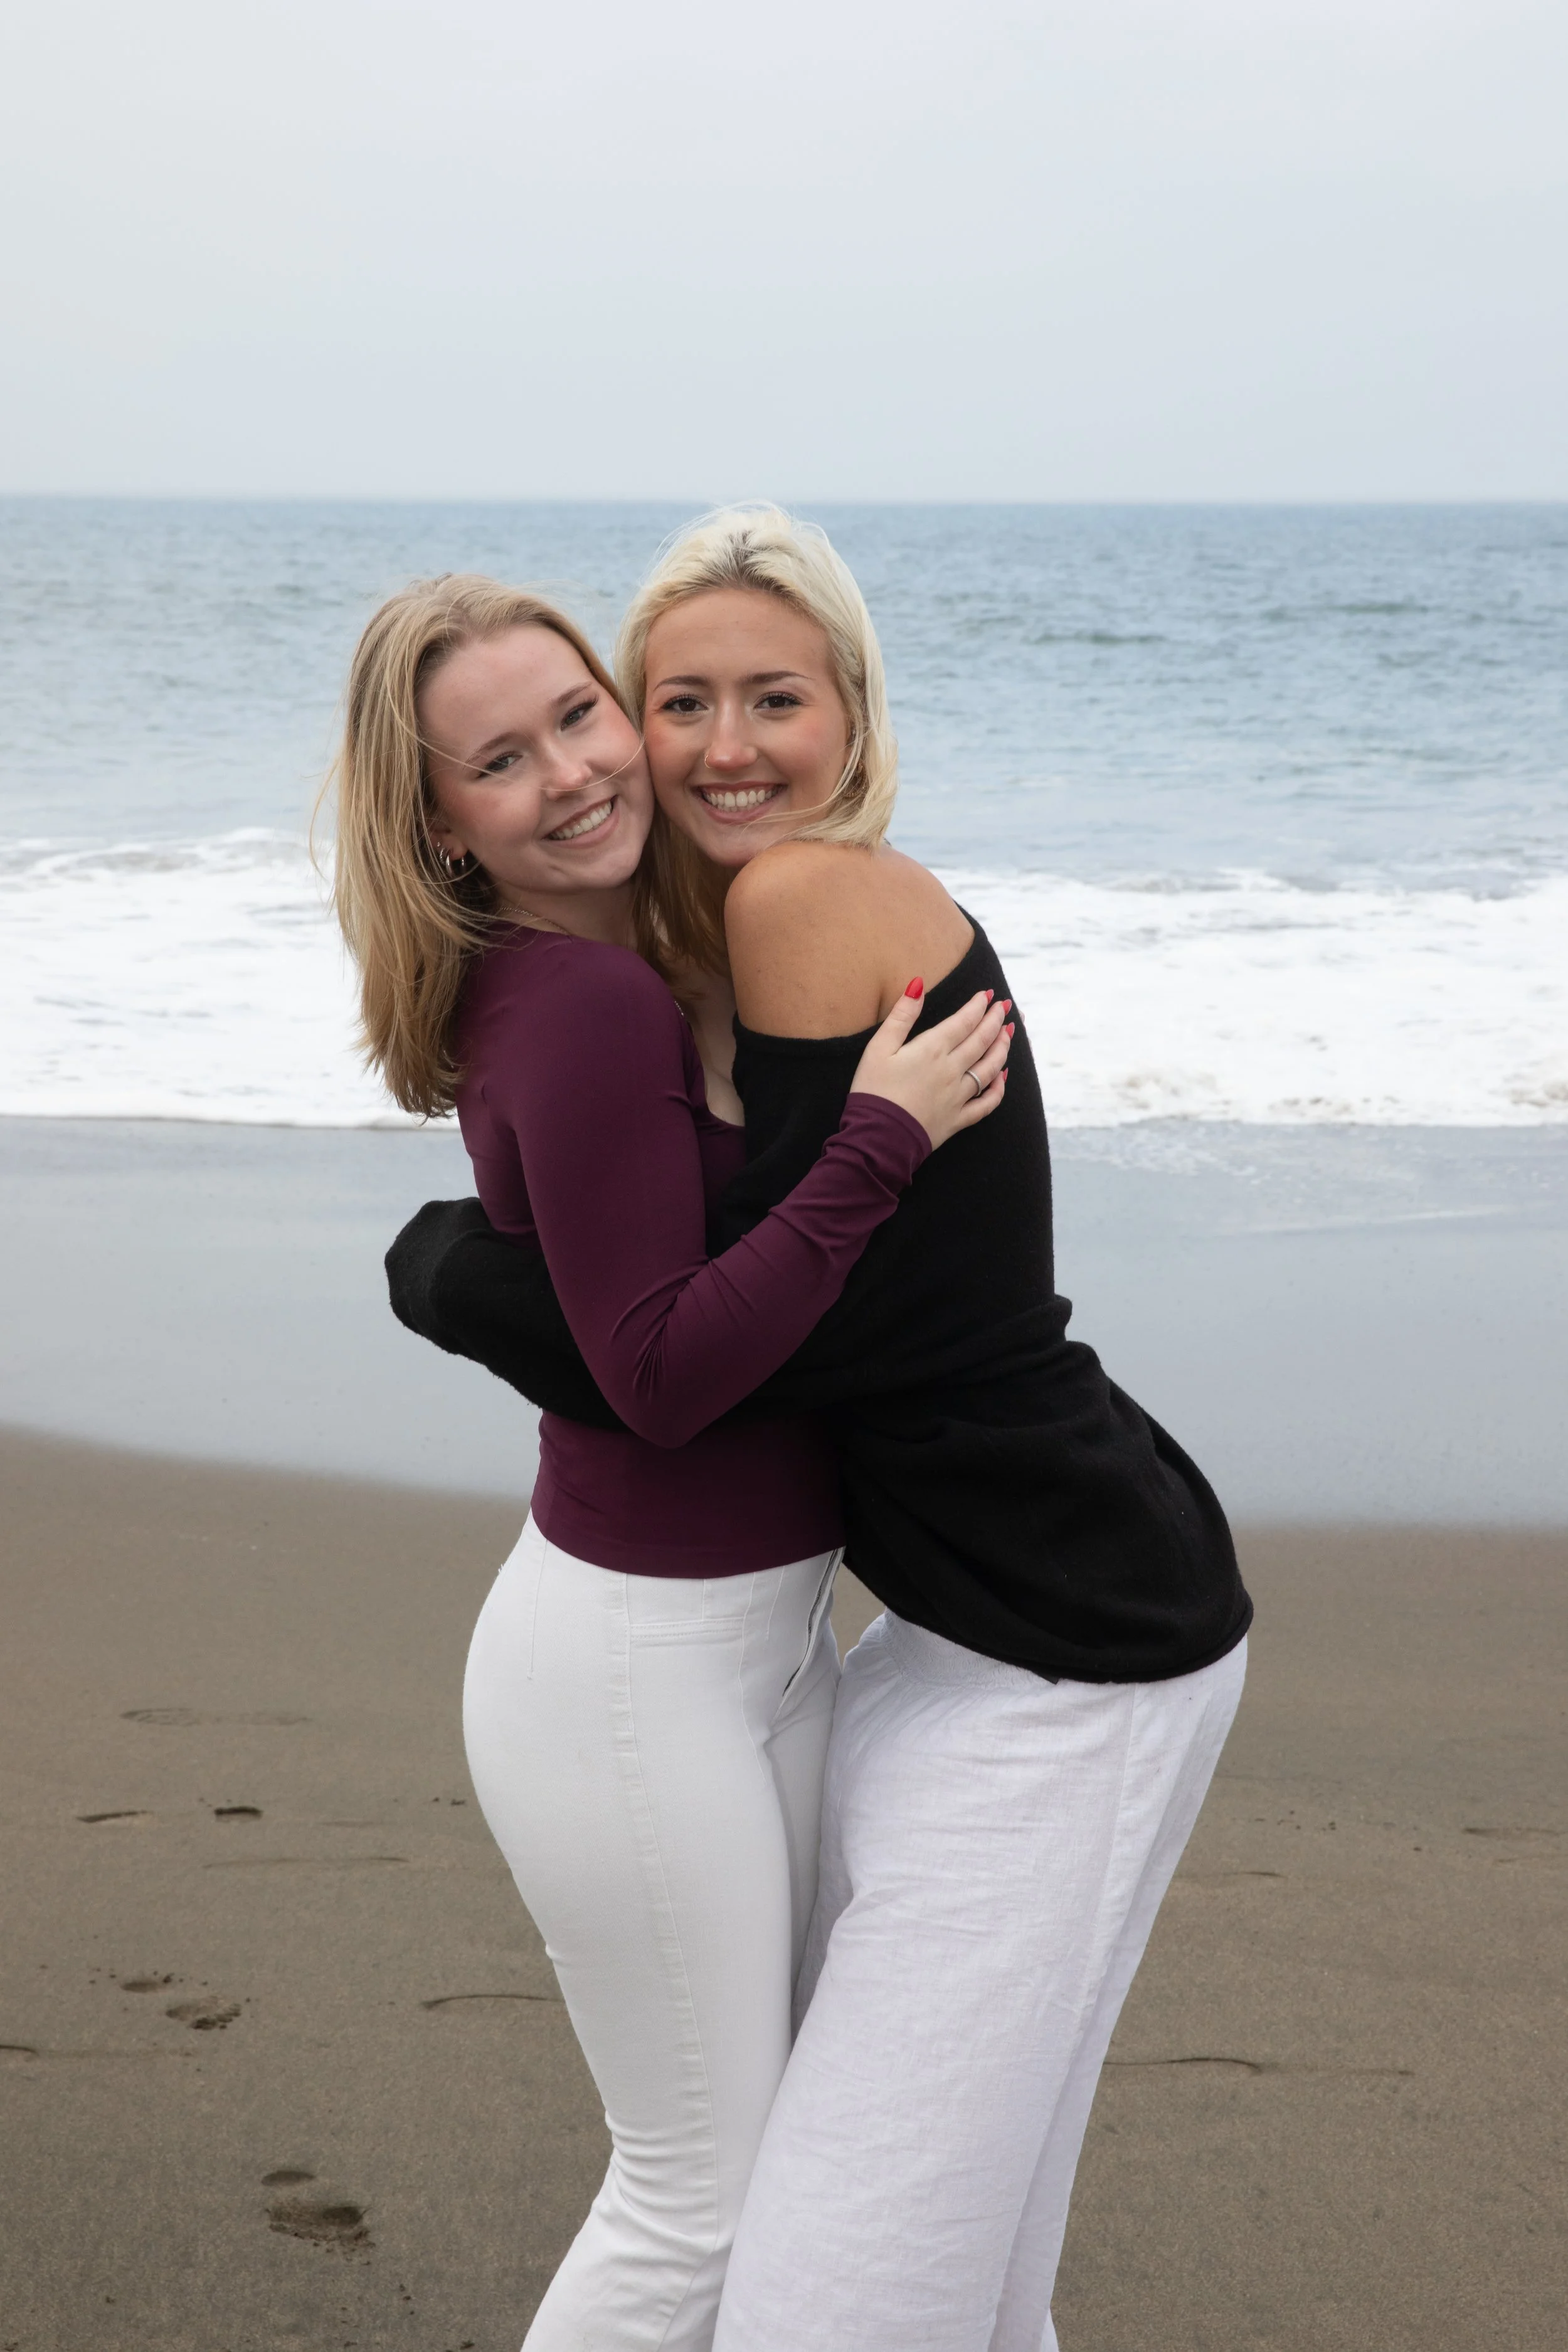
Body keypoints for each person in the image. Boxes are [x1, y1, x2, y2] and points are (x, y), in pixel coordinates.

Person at [392, 509, 1253, 2351]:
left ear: (855, 711)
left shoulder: (789, 907)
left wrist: (456, 1275)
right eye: (677, 699)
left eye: (773, 698)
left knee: (836, 2265)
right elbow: (709, 1323)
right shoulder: (674, 958)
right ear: (445, 817)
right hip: (910, 1626)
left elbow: (725, 1345)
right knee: (836, 2238)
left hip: (1046, 1620)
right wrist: (467, 1265)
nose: (714, 746)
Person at [329, 573, 1010, 2352]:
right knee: (695, 2201)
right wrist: (877, 1138)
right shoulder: (586, 1004)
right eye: (499, 758)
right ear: (440, 822)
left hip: (747, 1648)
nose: (570, 771)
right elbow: (661, 1374)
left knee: (771, 2172)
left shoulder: (635, 968)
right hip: (633, 1674)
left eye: (578, 714)